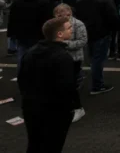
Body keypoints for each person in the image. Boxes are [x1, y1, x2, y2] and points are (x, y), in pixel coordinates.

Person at [18, 17, 78, 153]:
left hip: (31, 107)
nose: (72, 29)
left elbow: (22, 79)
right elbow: (66, 88)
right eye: (69, 28)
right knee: (52, 145)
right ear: (59, 34)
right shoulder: (63, 57)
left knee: (34, 144)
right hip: (54, 112)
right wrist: (69, 109)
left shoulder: (30, 52)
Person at [76, 0, 120, 94]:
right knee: (98, 59)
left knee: (92, 56)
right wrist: (114, 28)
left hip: (87, 31)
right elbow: (113, 17)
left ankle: (95, 80)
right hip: (102, 32)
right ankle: (97, 85)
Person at [7, 0, 54, 73]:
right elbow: (47, 20)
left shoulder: (18, 0)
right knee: (39, 57)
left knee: (22, 55)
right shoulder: (44, 1)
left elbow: (12, 17)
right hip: (38, 34)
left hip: (22, 33)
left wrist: (12, 33)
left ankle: (22, 75)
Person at [54, 3, 88, 122]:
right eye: (58, 16)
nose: (61, 18)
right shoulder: (55, 24)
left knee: (71, 84)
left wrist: (65, 44)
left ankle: (78, 108)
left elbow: (83, 41)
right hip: (58, 58)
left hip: (74, 58)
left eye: (65, 15)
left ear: (70, 14)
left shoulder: (78, 24)